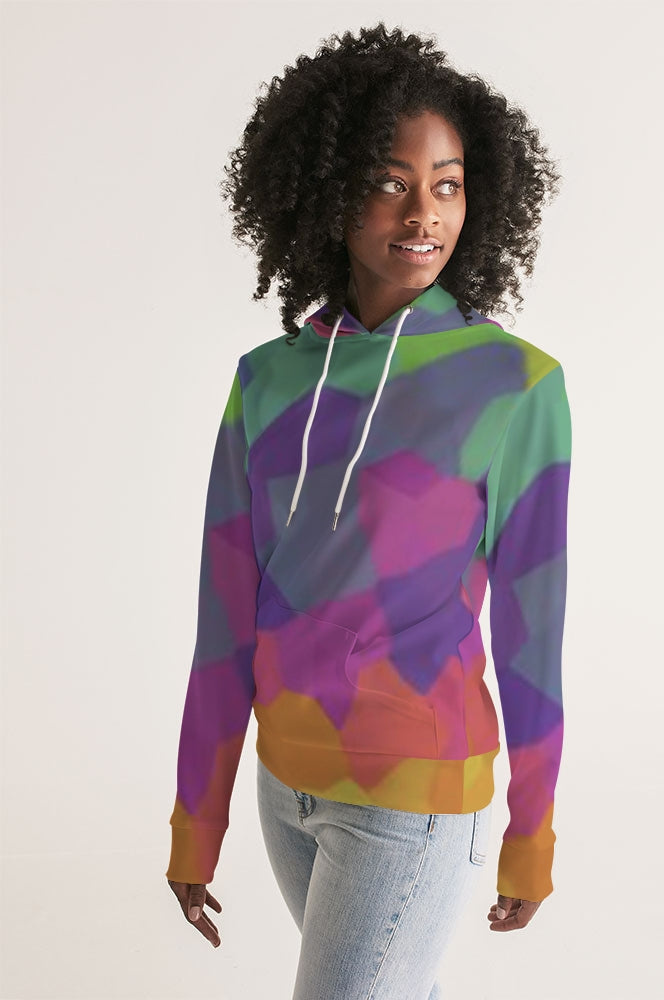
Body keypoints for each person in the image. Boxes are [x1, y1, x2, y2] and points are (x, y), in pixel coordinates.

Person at [165, 21, 572, 998]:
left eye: (448, 183)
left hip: (412, 796)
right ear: (326, 193)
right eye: (391, 181)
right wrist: (197, 817)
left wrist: (532, 831)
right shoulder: (266, 383)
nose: (425, 212)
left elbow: (532, 632)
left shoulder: (513, 386)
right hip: (285, 787)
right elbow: (224, 621)